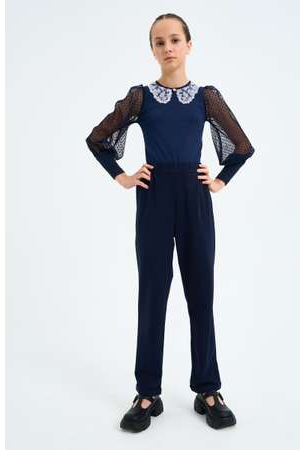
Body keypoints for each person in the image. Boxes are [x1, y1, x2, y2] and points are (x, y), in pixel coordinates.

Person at [85, 13, 255, 432]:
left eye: (175, 40)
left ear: (189, 45)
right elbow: (97, 139)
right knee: (152, 294)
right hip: (154, 197)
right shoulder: (140, 98)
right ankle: (147, 392)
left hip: (195, 198)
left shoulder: (207, 98)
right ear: (153, 50)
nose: (168, 48)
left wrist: (219, 180)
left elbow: (242, 146)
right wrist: (123, 176)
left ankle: (208, 389)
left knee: (201, 294)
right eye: (159, 42)